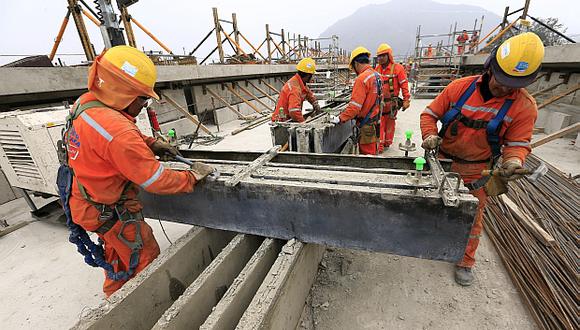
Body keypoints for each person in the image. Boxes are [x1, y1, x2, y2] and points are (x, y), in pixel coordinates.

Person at [64, 45, 215, 296]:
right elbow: (156, 180)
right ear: (123, 94)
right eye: (143, 98)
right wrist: (192, 177)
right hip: (109, 211)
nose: (145, 104)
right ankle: (143, 308)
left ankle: (113, 303)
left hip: (85, 200)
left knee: (118, 257)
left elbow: (105, 139)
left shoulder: (87, 104)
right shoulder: (119, 133)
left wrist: (150, 143)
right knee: (143, 257)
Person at [419, 33, 545, 286]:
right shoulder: (460, 88)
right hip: (441, 162)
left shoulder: (524, 107)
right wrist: (430, 134)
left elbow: (518, 144)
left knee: (473, 218)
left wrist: (513, 161)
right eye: (503, 80)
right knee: (430, 204)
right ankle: (432, 240)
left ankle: (466, 261)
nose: (506, 88)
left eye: (514, 84)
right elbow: (429, 114)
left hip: (477, 171)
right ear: (490, 66)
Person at [330, 47, 381, 155]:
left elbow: (354, 107)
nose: (354, 71)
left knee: (367, 157)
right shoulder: (377, 75)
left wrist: (340, 118)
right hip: (375, 122)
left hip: (366, 126)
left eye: (353, 68)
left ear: (356, 63)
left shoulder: (362, 79)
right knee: (373, 151)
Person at [374, 43, 411, 152]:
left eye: (383, 56)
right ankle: (379, 146)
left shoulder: (398, 69)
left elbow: (404, 85)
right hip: (380, 103)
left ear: (388, 56)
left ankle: (387, 143)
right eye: (379, 56)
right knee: (380, 124)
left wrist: (406, 100)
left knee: (390, 124)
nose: (380, 58)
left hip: (392, 104)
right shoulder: (377, 69)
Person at [271, 57, 321, 123]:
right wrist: (303, 123)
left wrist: (315, 104)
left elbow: (308, 93)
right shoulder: (295, 88)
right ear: (308, 76)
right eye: (312, 75)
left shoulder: (299, 82)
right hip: (282, 122)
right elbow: (294, 111)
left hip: (287, 119)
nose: (312, 78)